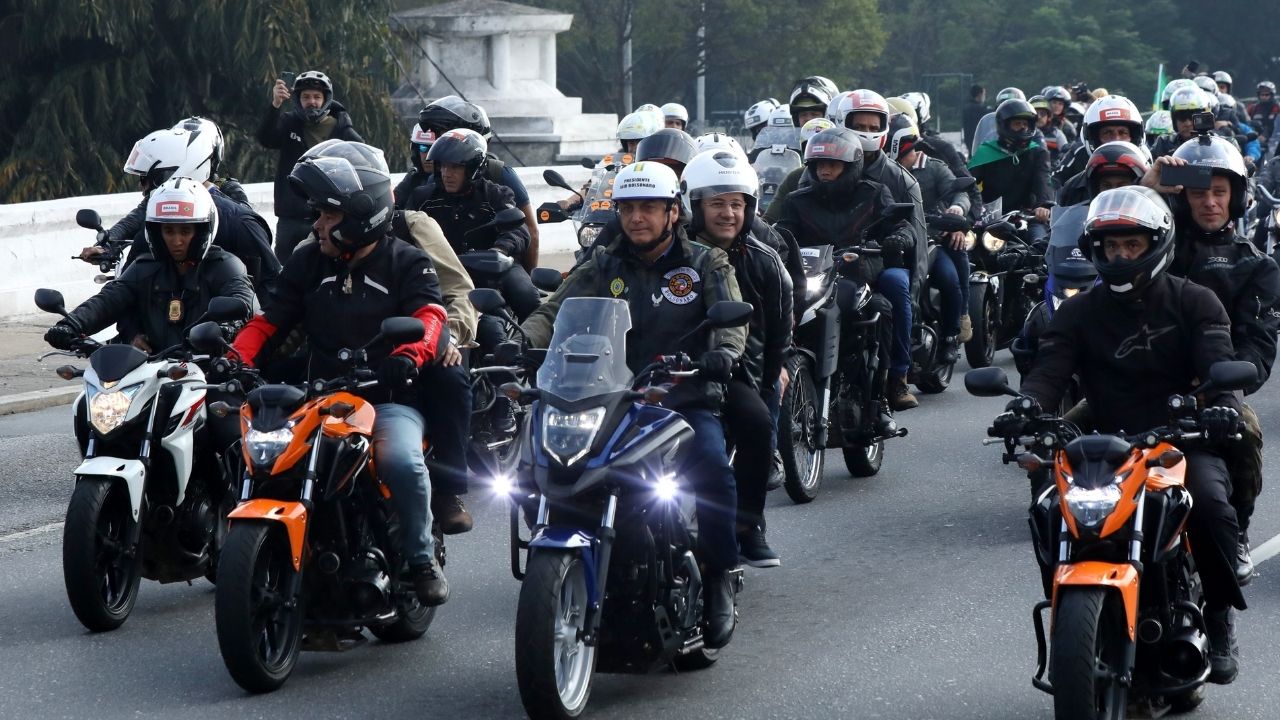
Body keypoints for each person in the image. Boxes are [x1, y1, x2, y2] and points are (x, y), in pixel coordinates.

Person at [1013, 185, 1246, 684]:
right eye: (1110, 246)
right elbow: (1050, 368)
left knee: (1206, 501)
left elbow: (1218, 363)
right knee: (1048, 502)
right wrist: (1026, 405)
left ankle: (1220, 617)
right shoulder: (1078, 311)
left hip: (1178, 435)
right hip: (1102, 436)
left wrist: (1221, 406)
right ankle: (1067, 611)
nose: (1119, 255)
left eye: (1131, 245)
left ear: (1157, 243)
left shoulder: (1195, 302)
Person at [521, 161, 748, 649]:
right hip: (609, 398)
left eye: (649, 207)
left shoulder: (707, 263)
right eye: (627, 208)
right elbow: (554, 309)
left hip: (680, 399)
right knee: (535, 468)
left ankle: (720, 576)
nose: (636, 218)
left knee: (711, 467)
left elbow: (731, 322)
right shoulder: (604, 262)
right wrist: (519, 341)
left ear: (673, 212)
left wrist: (722, 354)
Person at [230, 142, 452, 607]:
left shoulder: (405, 261)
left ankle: (419, 558)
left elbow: (431, 315)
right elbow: (270, 320)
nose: (317, 225)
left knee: (402, 463)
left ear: (359, 217)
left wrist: (408, 356)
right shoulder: (308, 260)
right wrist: (236, 359)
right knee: (257, 451)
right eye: (318, 215)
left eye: (328, 216)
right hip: (317, 396)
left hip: (385, 397)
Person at [1142, 136, 1280, 584]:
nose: (1209, 202)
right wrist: (1149, 188)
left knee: (1245, 435)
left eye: (1219, 192)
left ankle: (1234, 534)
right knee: (1067, 436)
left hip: (1212, 390)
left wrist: (1222, 380)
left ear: (1236, 197)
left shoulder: (1257, 265)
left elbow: (1258, 344)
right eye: (1199, 192)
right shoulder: (1152, 248)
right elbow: (1109, 247)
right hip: (1140, 378)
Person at [683, 149, 792, 568]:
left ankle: (748, 526)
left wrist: (771, 374)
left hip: (739, 371)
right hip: (672, 368)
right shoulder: (673, 253)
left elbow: (780, 326)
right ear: (694, 205)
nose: (728, 213)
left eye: (736, 203)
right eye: (716, 203)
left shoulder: (765, 261)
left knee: (759, 424)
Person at [773, 127, 916, 419]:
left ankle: (884, 391)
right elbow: (782, 234)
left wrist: (898, 238)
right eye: (819, 164)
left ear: (851, 166)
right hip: (813, 278)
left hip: (859, 275)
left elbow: (903, 226)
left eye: (832, 164)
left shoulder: (874, 193)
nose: (824, 170)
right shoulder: (796, 201)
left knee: (882, 308)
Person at [47, 177, 254, 356]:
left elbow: (242, 302)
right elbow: (109, 300)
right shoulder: (145, 267)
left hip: (209, 374)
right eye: (169, 231)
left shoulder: (225, 266)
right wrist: (71, 325)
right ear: (156, 233)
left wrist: (226, 328)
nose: (176, 240)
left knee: (226, 401)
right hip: (153, 371)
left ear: (201, 231)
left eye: (185, 232)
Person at [411, 129, 535, 357]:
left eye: (455, 167)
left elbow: (518, 228)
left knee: (526, 295)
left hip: (491, 269)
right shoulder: (424, 198)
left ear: (473, 167)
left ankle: (535, 354)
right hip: (443, 272)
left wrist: (500, 250)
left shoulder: (496, 194)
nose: (447, 173)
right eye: (444, 166)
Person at [411, 96, 541, 270]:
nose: (447, 173)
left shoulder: (500, 178)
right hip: (445, 267)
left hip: (495, 263)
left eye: (443, 132)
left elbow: (528, 230)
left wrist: (526, 273)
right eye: (444, 167)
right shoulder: (430, 187)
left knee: (524, 292)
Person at [257, 70, 363, 262]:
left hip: (328, 218)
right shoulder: (289, 123)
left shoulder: (342, 130)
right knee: (284, 274)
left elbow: (363, 160)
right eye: (306, 97)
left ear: (326, 99)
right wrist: (276, 104)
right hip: (290, 219)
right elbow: (266, 138)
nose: (311, 101)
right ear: (298, 99)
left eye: (317, 97)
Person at [891, 116, 971, 363]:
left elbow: (960, 192)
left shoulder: (934, 167)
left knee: (949, 279)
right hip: (894, 240)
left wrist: (957, 210)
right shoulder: (883, 171)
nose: (911, 152)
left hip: (931, 241)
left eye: (911, 146)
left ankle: (949, 337)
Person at [968, 99, 1053, 241]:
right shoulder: (986, 152)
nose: (1023, 128)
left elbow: (1043, 181)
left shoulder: (1037, 153)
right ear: (1004, 125)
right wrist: (964, 206)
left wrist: (1043, 206)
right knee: (966, 247)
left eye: (1025, 124)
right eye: (1017, 124)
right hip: (989, 219)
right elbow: (970, 184)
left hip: (1026, 216)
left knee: (1039, 244)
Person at [1054, 96, 1146, 206]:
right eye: (1108, 133)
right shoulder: (1074, 185)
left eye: (1123, 133)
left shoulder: (1147, 171)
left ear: (1134, 137)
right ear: (1094, 138)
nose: (1116, 139)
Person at [1247, 81, 1277, 152]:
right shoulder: (1253, 108)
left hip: (1274, 139)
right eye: (1262, 95)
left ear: (1272, 95)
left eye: (1266, 95)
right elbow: (1247, 122)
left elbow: (1274, 124)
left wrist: (1265, 135)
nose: (1264, 97)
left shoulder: (1277, 107)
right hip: (1256, 138)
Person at [963, 84, 988, 151]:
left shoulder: (967, 108)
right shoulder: (980, 109)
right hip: (979, 142)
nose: (984, 97)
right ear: (980, 94)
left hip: (969, 141)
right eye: (984, 94)